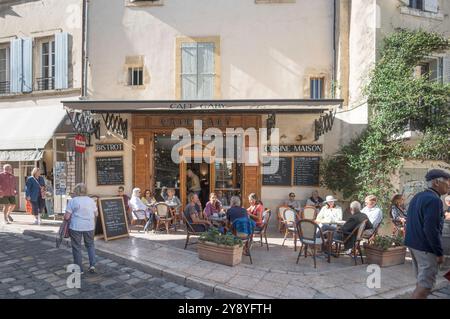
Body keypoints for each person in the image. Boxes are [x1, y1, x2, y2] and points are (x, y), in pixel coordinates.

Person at [405, 169, 449, 299]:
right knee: (425, 287)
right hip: (425, 248)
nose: (449, 186)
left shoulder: (418, 196)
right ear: (436, 182)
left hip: (414, 245)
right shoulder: (434, 200)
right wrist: (439, 253)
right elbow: (431, 229)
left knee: (421, 281)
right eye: (447, 183)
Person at [64, 183, 98, 274]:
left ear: (76, 191)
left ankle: (79, 269)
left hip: (76, 227)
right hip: (89, 226)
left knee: (76, 247)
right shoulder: (91, 201)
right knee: (90, 245)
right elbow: (96, 214)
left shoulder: (73, 201)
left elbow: (67, 217)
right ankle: (92, 265)